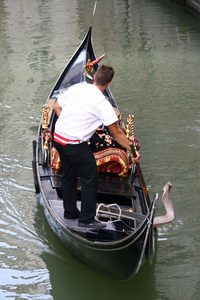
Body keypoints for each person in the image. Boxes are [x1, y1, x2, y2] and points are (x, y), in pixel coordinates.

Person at [53, 65, 140, 229]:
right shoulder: (102, 104)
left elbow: (57, 106)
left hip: (58, 138)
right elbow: (117, 134)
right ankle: (86, 219)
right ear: (109, 83)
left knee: (69, 175)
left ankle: (70, 211)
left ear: (94, 77)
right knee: (90, 178)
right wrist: (132, 150)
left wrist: (69, 125)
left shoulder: (76, 87)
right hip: (73, 144)